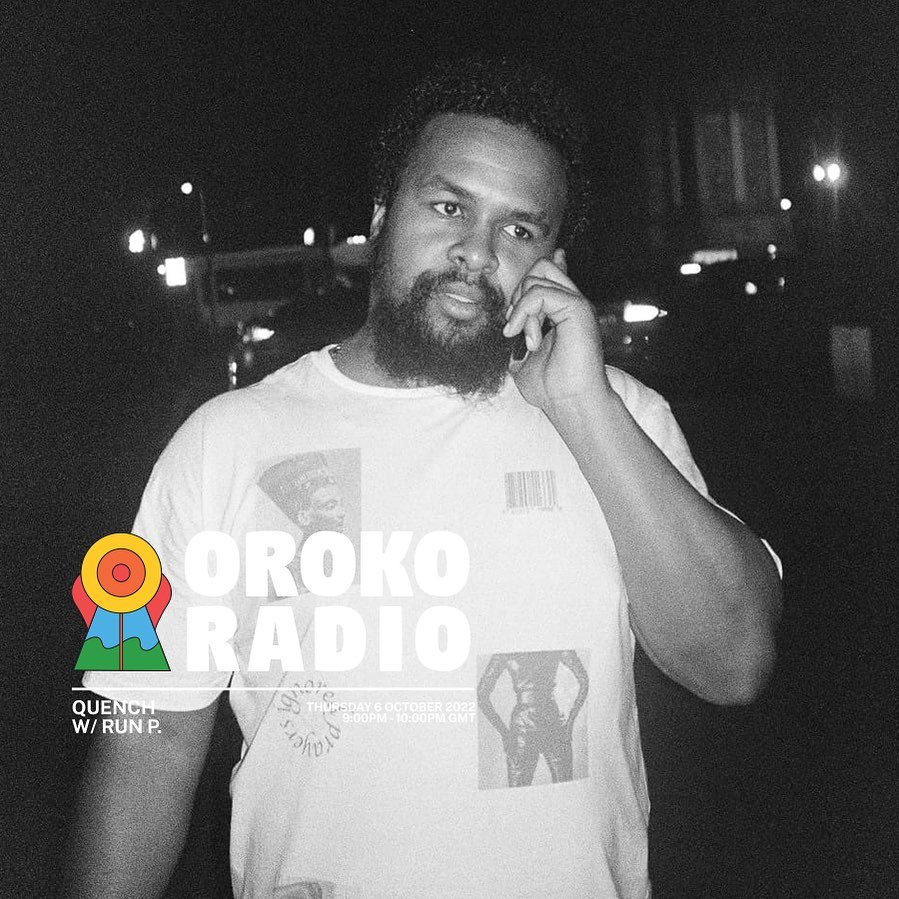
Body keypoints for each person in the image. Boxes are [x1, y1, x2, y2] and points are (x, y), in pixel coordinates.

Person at [70, 55, 782, 898]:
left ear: (551, 260)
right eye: (448, 207)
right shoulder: (219, 443)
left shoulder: (618, 414)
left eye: (519, 230)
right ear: (380, 216)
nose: (476, 252)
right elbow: (143, 744)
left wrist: (582, 405)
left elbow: (734, 662)